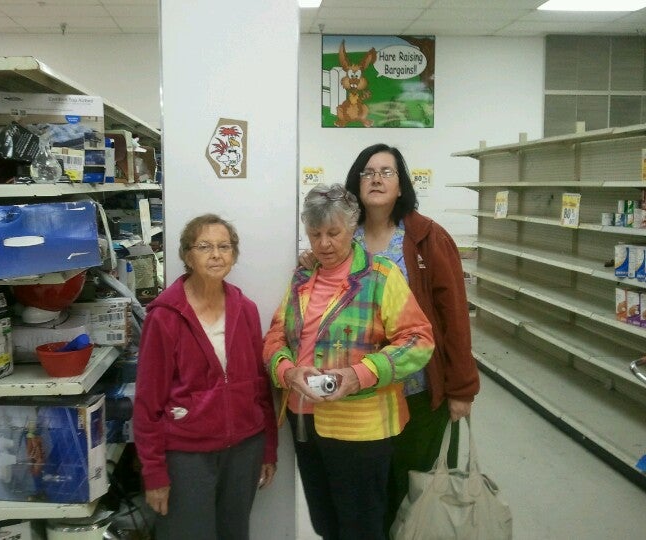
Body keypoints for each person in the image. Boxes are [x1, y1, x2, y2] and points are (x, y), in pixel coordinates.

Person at [301, 144, 481, 532]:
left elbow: (454, 318)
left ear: (401, 185)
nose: (377, 179)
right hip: (361, 402)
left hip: (418, 391)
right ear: (356, 183)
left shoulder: (426, 238)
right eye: (368, 172)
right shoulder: (342, 236)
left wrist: (462, 388)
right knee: (369, 497)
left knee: (416, 492)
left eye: (387, 172)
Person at [264, 183, 435, 540]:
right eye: (315, 234)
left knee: (361, 527)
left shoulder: (380, 275)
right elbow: (276, 336)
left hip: (361, 426)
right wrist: (288, 372)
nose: (324, 243)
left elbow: (418, 340)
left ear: (352, 228)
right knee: (325, 522)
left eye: (333, 233)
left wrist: (361, 374)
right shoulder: (302, 277)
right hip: (304, 421)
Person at [133, 213, 277, 540]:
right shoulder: (165, 317)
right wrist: (154, 473)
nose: (216, 255)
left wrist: (268, 448)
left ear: (234, 255)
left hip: (244, 449)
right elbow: (147, 403)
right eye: (204, 246)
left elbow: (260, 387)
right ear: (187, 256)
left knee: (234, 534)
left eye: (224, 247)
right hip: (187, 455)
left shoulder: (246, 309)